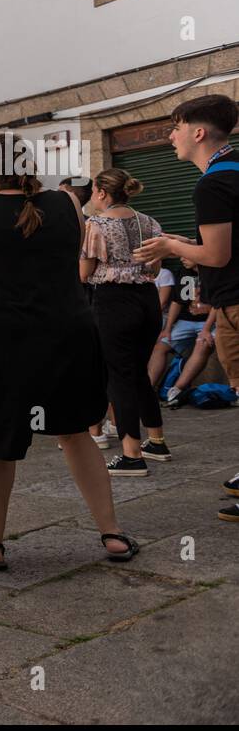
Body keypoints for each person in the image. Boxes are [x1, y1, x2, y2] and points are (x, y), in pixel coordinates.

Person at [0, 133, 137, 569]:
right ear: (29, 163)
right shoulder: (68, 203)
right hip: (65, 333)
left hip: (2, 339)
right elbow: (65, 261)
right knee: (75, 433)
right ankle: (112, 535)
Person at [133, 94, 238, 520]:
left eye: (175, 127)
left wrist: (170, 245)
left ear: (198, 132)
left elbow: (216, 255)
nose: (170, 136)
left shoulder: (212, 183)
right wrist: (181, 247)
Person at [81, 167, 170, 475]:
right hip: (147, 299)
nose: (92, 197)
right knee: (139, 373)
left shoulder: (96, 224)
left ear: (103, 192)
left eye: (93, 191)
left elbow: (84, 273)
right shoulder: (150, 222)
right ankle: (156, 440)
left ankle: (132, 454)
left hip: (112, 301)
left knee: (119, 375)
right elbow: (156, 271)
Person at [148, 257, 217, 407]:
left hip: (210, 321)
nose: (182, 258)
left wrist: (205, 329)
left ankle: (176, 391)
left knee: (202, 344)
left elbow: (219, 304)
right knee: (161, 346)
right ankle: (147, 390)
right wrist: (167, 329)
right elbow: (177, 301)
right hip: (186, 321)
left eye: (186, 255)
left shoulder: (214, 270)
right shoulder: (184, 271)